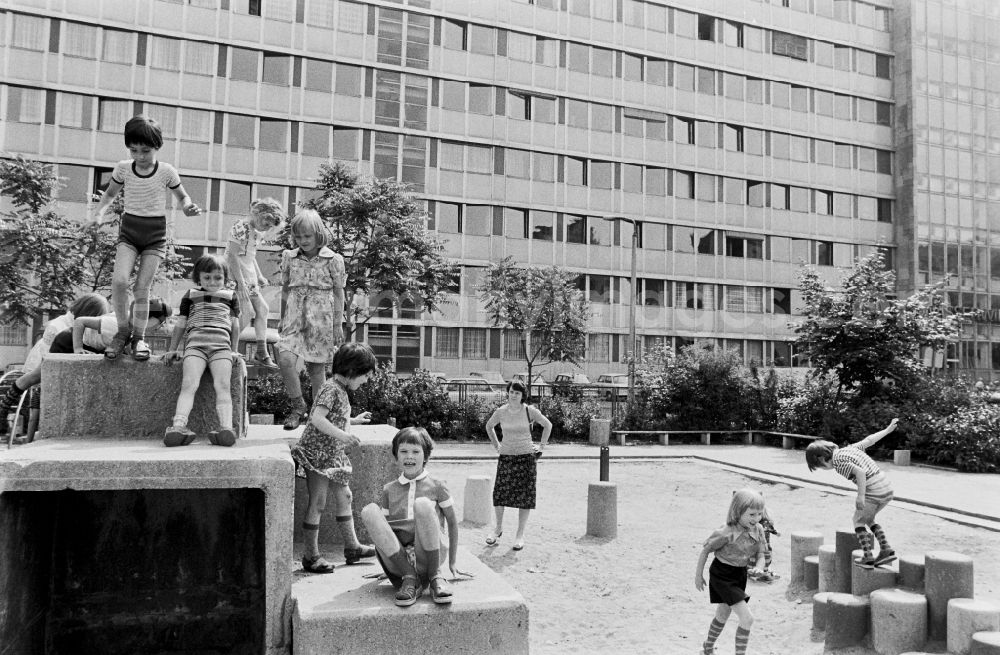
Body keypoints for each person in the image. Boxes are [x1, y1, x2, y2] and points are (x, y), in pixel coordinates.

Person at [89, 114, 202, 361]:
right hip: (129, 231)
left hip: (155, 236)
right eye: (134, 150)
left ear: (157, 147)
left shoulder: (166, 172)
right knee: (119, 282)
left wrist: (187, 207)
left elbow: (183, 197)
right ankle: (122, 332)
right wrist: (98, 213)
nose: (140, 156)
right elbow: (109, 195)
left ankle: (139, 339)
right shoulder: (123, 169)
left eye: (146, 151)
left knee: (142, 288)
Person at [290, 342, 377, 573]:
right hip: (318, 456)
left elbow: (335, 416)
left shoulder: (339, 389)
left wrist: (353, 420)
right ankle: (311, 555)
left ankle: (352, 547)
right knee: (318, 503)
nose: (366, 381)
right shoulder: (331, 389)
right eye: (365, 376)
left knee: (345, 496)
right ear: (351, 371)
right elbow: (317, 418)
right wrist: (344, 436)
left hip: (332, 455)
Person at [361, 426, 468, 606]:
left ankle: (435, 576)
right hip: (401, 560)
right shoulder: (389, 489)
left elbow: (452, 522)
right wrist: (385, 565)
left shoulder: (437, 486)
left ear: (425, 456)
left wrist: (452, 562)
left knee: (423, 504)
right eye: (403, 451)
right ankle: (410, 579)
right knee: (370, 510)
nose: (409, 456)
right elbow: (385, 531)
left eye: (415, 451)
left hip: (429, 556)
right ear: (396, 457)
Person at [0, 293, 109, 436]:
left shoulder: (90, 327)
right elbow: (48, 355)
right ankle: (3, 408)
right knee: (37, 378)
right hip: (56, 351)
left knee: (40, 383)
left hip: (74, 350)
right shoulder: (59, 325)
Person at [275, 209, 346, 430]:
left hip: (321, 319)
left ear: (318, 234)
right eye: (298, 236)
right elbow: (285, 288)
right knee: (285, 359)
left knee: (316, 370)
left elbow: (338, 293)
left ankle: (317, 417)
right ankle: (298, 406)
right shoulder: (290, 257)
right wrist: (282, 315)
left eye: (307, 236)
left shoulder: (333, 260)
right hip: (294, 317)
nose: (303, 241)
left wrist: (337, 324)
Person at [162, 255, 241, 447]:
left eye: (217, 277)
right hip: (195, 346)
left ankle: (225, 428)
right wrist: (173, 349)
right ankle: (178, 426)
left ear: (225, 278)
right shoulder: (190, 295)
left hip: (221, 348)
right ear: (199, 278)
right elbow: (181, 323)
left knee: (222, 385)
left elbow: (235, 324)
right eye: (207, 278)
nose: (212, 282)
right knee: (189, 384)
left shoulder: (231, 296)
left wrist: (234, 350)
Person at [806, 418, 900, 568]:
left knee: (858, 520)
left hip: (873, 491)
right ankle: (886, 551)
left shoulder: (838, 464)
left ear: (823, 459)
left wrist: (860, 496)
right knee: (868, 519)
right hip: (886, 488)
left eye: (821, 467)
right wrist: (887, 430)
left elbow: (860, 473)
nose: (824, 469)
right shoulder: (850, 449)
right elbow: (870, 440)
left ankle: (868, 558)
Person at [694, 488, 767, 655]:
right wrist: (698, 575)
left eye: (759, 514)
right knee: (747, 618)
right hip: (722, 575)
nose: (756, 519)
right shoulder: (726, 532)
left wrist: (759, 567)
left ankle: (707, 647)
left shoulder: (759, 530)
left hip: (740, 575)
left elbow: (761, 555)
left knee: (723, 613)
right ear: (738, 511)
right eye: (751, 514)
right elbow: (706, 550)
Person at [484, 380, 552, 551]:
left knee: (525, 497)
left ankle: (520, 534)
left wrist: (542, 446)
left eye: (517, 393)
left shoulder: (529, 411)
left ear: (523, 395)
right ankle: (498, 529)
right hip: (506, 457)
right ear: (508, 392)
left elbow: (547, 425)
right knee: (499, 494)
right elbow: (489, 426)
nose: (513, 395)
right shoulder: (501, 411)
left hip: (526, 458)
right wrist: (497, 446)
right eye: (512, 392)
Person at [226, 198, 285, 369]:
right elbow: (232, 256)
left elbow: (250, 256)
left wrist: (259, 275)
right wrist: (240, 282)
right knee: (246, 312)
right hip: (236, 276)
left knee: (262, 310)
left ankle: (261, 352)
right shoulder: (241, 227)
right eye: (266, 225)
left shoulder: (256, 231)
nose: (267, 229)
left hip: (248, 276)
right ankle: (228, 347)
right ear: (258, 215)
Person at [747, 508, 780, 583]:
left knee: (765, 560)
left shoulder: (765, 523)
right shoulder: (750, 524)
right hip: (755, 546)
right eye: (753, 515)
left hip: (764, 546)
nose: (757, 517)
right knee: (752, 560)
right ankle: (756, 572)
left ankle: (765, 573)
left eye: (759, 514)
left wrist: (775, 533)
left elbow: (767, 533)